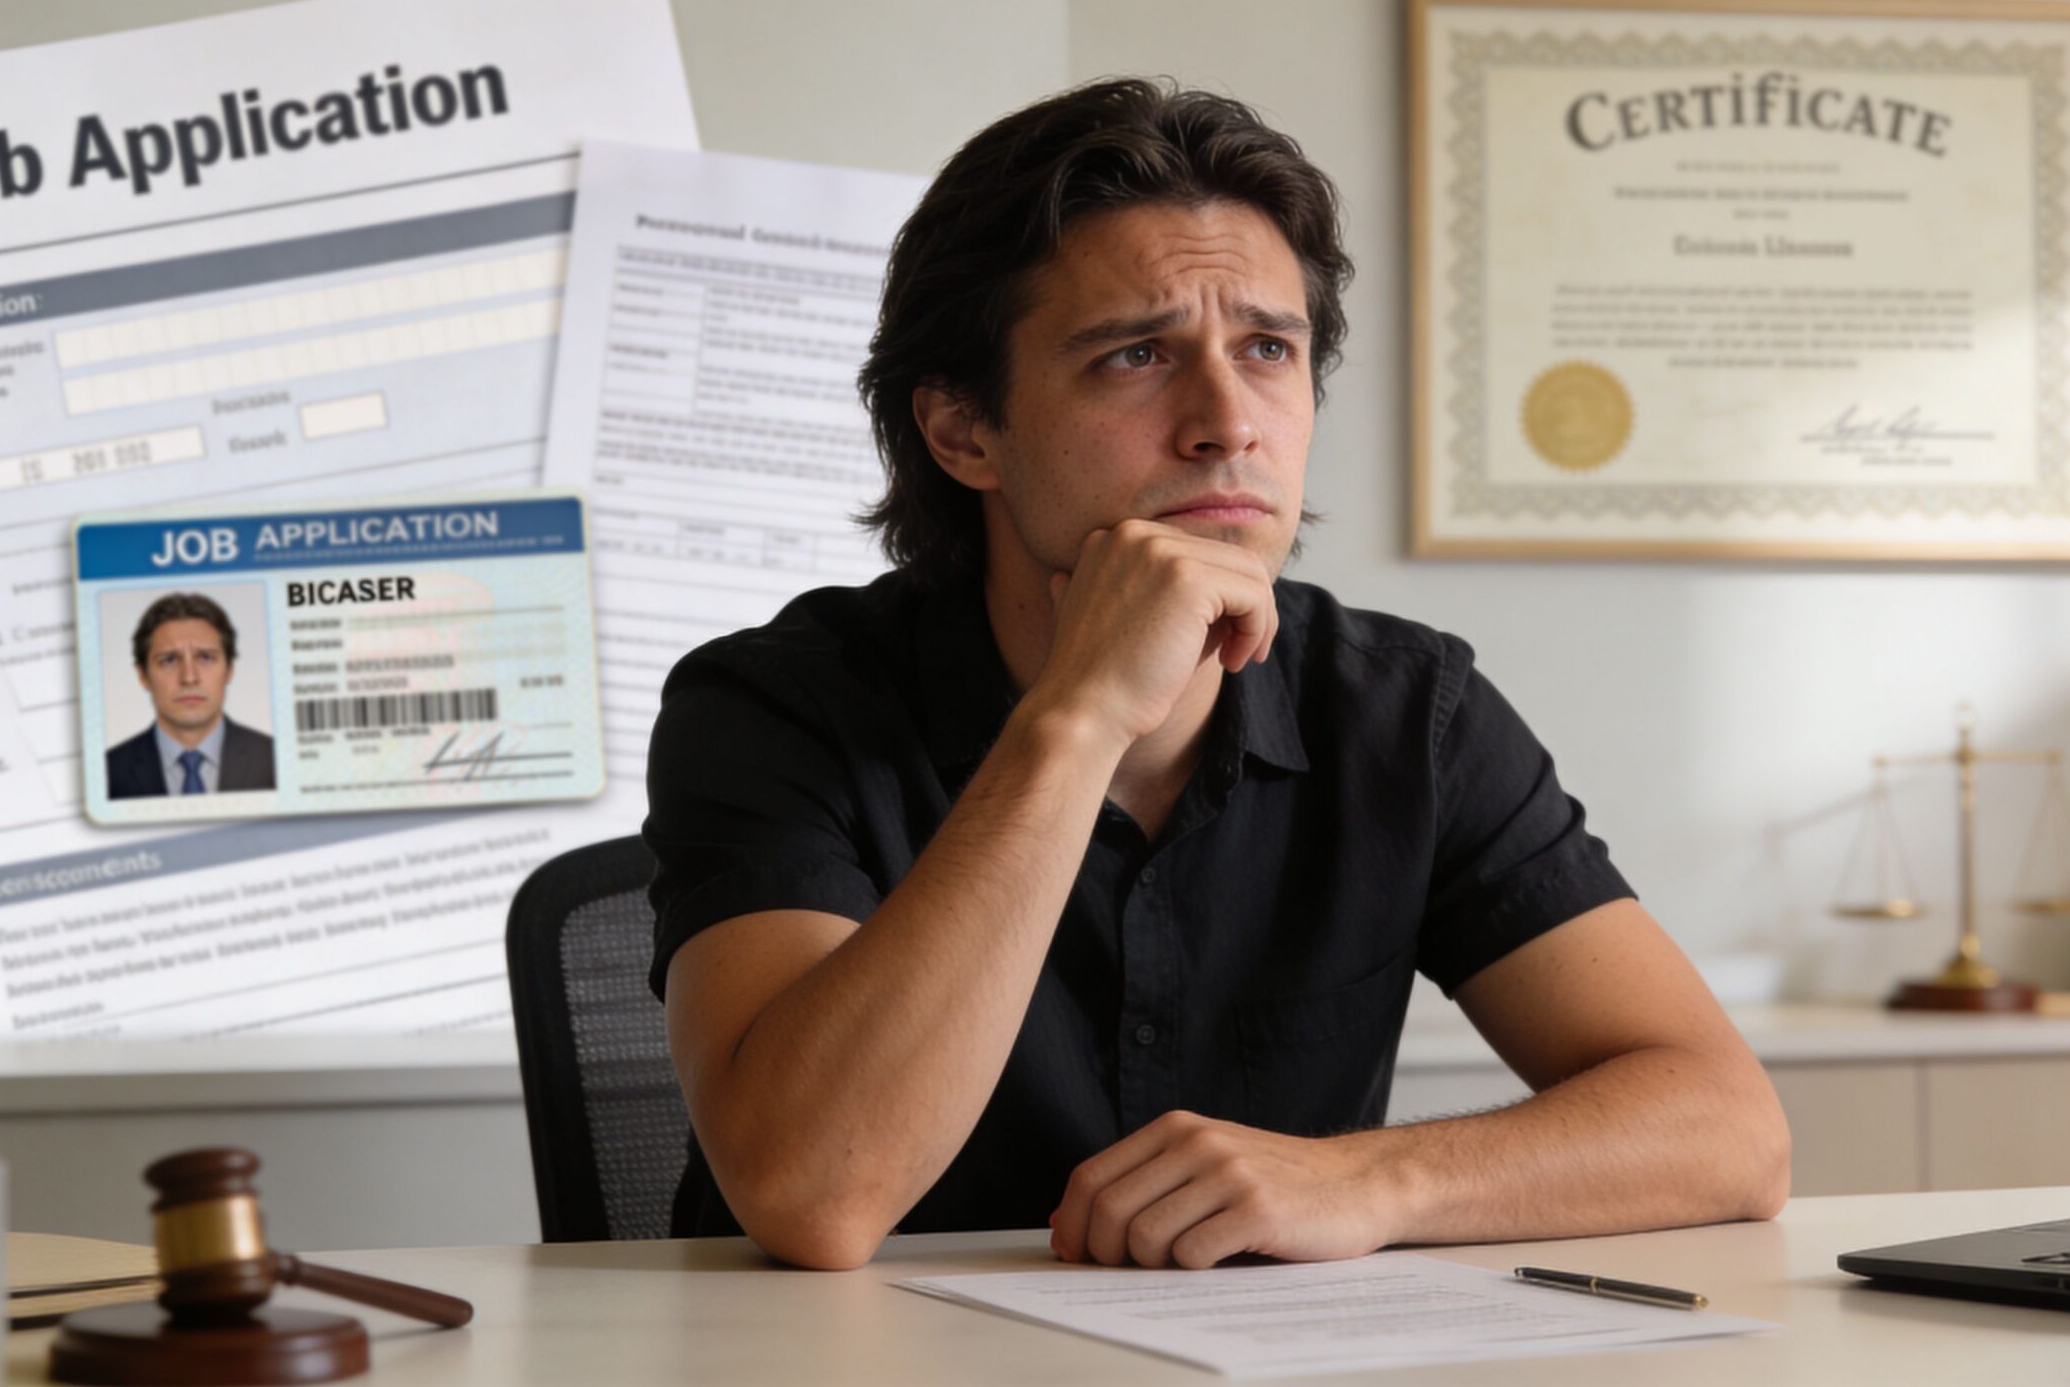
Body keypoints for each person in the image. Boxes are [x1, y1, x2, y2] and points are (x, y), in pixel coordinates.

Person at [646, 79, 1788, 1271]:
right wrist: (1079, 719)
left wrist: (1370, 1179)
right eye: (1135, 354)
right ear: (963, 432)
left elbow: (1730, 1132)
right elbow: (812, 1196)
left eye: (1267, 350)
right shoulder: (770, 707)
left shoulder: (1406, 710)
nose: (1227, 422)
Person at [105, 592, 276, 798]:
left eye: (205, 658)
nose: (189, 677)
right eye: (169, 660)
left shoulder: (276, 759)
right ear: (143, 675)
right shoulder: (108, 772)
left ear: (229, 669)